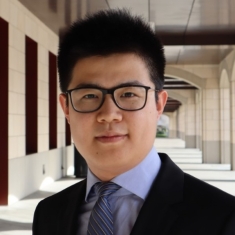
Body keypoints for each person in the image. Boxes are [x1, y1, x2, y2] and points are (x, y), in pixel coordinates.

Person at [33, 9, 235, 235]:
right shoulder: (48, 213)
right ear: (66, 108)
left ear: (159, 104)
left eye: (129, 94)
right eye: (89, 95)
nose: (109, 114)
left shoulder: (223, 218)